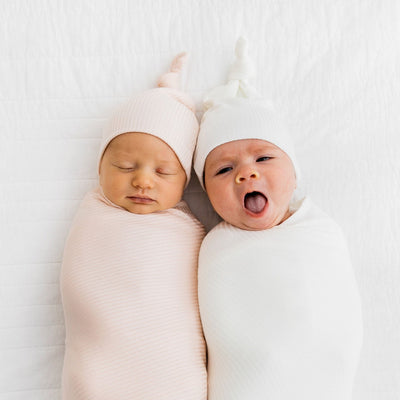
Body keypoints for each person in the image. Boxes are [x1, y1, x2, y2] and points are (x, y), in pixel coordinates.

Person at [193, 38, 363, 400]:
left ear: (295, 172)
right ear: (207, 194)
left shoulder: (320, 233)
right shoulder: (215, 248)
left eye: (264, 159)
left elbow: (339, 322)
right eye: (224, 169)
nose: (246, 174)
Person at [60, 53, 207, 400]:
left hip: (172, 370)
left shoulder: (188, 231)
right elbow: (82, 290)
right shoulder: (94, 217)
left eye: (163, 172)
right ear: (100, 168)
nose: (142, 181)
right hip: (99, 367)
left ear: (185, 180)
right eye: (125, 166)